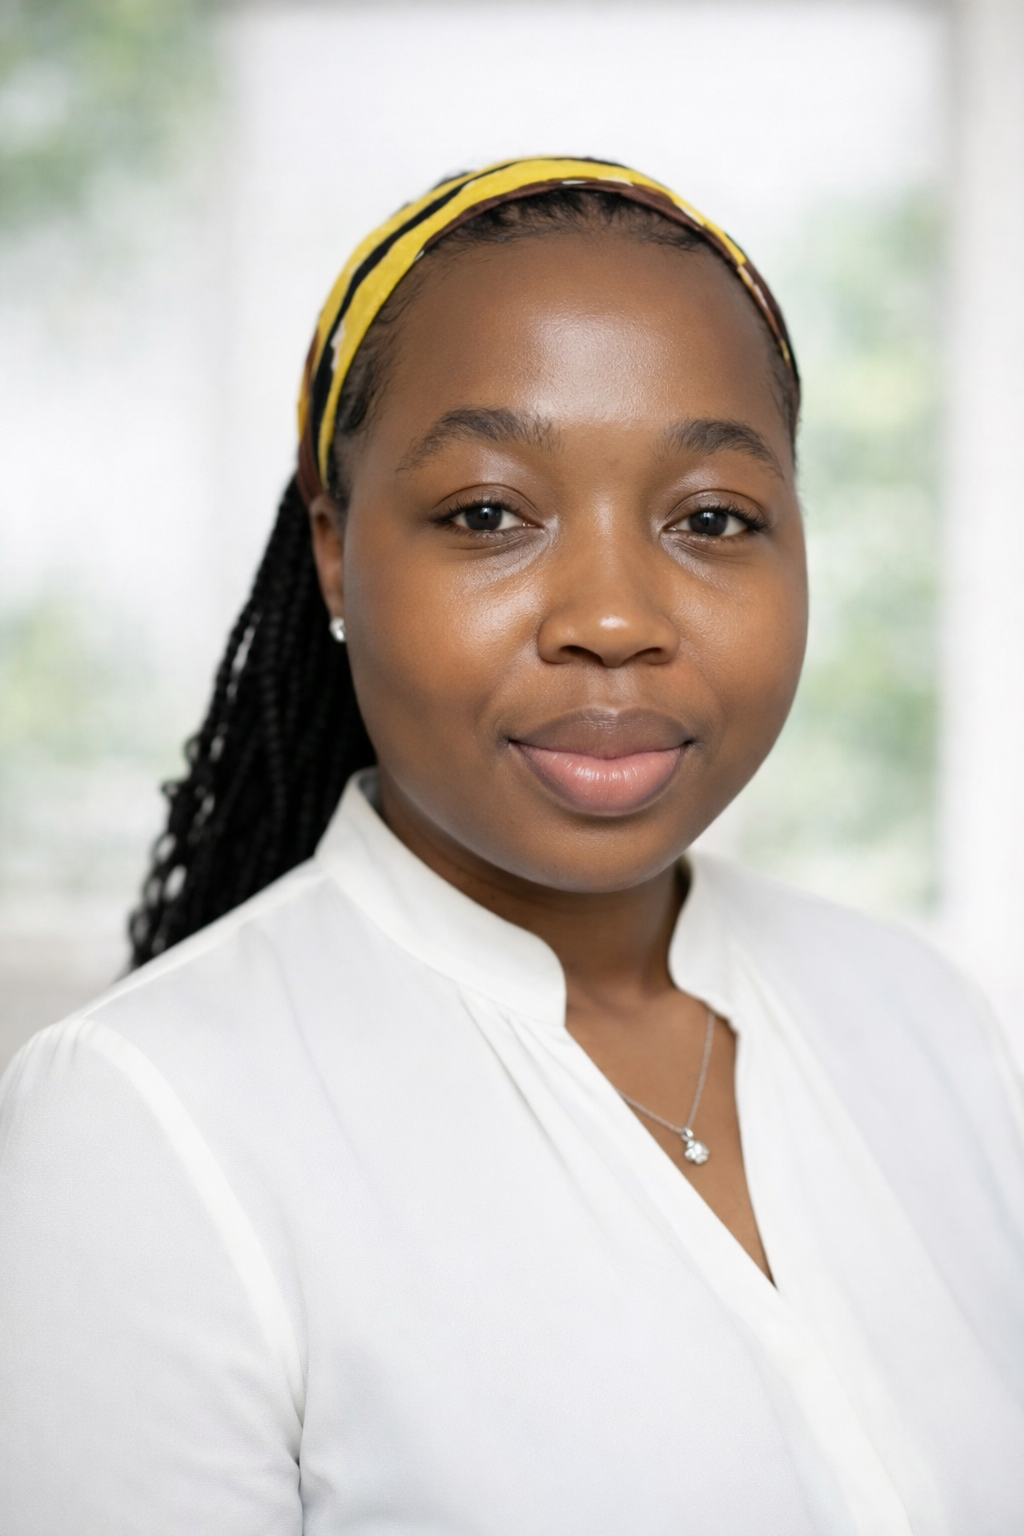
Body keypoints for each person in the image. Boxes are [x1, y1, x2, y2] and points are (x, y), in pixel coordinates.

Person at [1, 157, 1022, 1535]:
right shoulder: (140, 1120)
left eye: (712, 518)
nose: (613, 618)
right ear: (335, 548)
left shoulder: (927, 1022)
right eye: (488, 514)